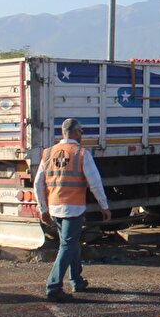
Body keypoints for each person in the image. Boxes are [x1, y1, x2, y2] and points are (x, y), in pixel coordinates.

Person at [34, 118, 111, 302]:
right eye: (81, 132)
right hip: (73, 208)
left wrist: (43, 208)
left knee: (71, 243)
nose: (81, 135)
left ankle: (77, 280)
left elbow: (38, 183)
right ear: (76, 132)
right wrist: (104, 206)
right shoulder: (81, 153)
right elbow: (95, 183)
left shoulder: (48, 153)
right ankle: (53, 287)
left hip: (54, 207)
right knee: (68, 245)